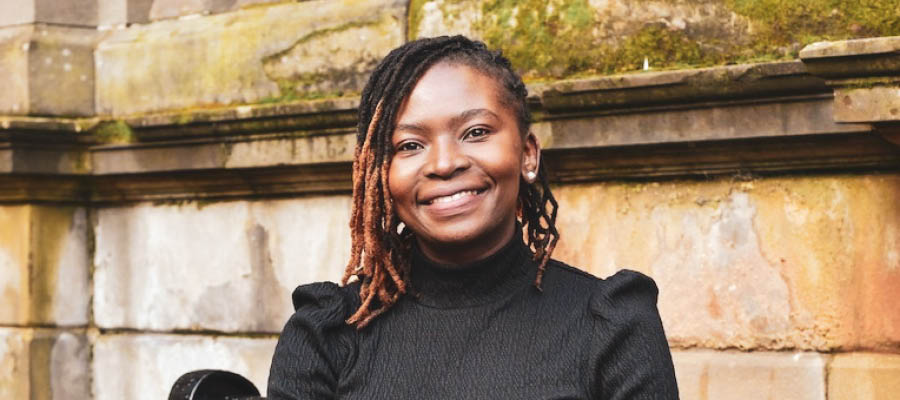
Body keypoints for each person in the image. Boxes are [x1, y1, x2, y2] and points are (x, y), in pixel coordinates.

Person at [268, 35, 679, 399]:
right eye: (410, 145)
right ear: (379, 174)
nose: (444, 164)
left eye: (476, 132)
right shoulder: (328, 334)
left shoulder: (611, 326)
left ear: (528, 154)